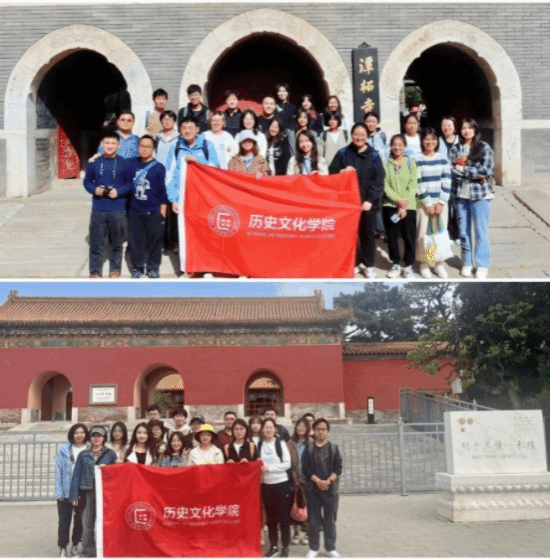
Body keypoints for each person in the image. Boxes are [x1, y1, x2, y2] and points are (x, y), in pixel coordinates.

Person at [329, 123, 385, 279]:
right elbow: (332, 172)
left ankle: (369, 265)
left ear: (367, 136)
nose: (359, 137)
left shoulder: (374, 155)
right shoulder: (343, 153)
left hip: (368, 204)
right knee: (350, 236)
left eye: (362, 135)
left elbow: (379, 180)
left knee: (367, 235)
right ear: (351, 135)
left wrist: (370, 200)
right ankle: (354, 263)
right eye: (356, 134)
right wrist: (342, 171)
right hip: (348, 204)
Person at [449, 117, 495, 279]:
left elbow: (486, 170)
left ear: (475, 130)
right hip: (460, 195)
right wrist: (475, 174)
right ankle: (467, 262)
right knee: (463, 231)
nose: (466, 131)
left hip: (480, 195)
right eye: (463, 128)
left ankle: (482, 264)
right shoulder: (455, 148)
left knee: (481, 231)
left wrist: (464, 169)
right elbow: (451, 171)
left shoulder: (483, 147)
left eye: (470, 127)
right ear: (459, 131)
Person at [83, 131, 131, 279]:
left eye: (113, 143)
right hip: (99, 208)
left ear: (118, 145)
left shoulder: (124, 163)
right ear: (102, 144)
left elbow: (130, 184)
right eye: (107, 143)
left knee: (116, 243)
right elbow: (87, 182)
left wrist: (118, 192)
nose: (110, 146)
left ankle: (115, 270)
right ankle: (95, 271)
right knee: (96, 242)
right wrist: (94, 189)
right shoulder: (94, 163)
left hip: (117, 208)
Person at [165, 115, 220, 241]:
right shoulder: (175, 147)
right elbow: (169, 176)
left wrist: (198, 162)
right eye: (184, 128)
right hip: (182, 198)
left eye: (190, 128)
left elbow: (216, 169)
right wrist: (173, 199)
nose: (187, 131)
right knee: (183, 235)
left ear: (197, 129)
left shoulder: (207, 146)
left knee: (202, 233)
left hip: (203, 197)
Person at [69, 426, 116, 558]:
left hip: (104, 492)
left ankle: (105, 550)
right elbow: (76, 475)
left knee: (106, 522)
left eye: (99, 436)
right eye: (94, 436)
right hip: (87, 492)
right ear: (90, 438)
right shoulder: (83, 454)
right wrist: (74, 495)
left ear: (104, 438)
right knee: (87, 523)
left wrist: (108, 468)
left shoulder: (111, 454)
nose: (96, 438)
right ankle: (88, 552)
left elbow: (116, 472)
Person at [126, 135, 168, 279]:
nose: (144, 149)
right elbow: (115, 163)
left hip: (153, 209)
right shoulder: (131, 164)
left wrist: (163, 208)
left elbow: (162, 190)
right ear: (138, 147)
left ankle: (153, 268)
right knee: (136, 241)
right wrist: (97, 156)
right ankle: (138, 268)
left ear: (153, 149)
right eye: (142, 146)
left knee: (155, 241)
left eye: (148, 147)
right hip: (135, 209)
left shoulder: (159, 167)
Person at [302, 419, 343, 559]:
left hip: (331, 490)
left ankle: (330, 548)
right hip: (312, 490)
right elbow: (305, 468)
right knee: (313, 520)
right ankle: (313, 548)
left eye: (323, 429)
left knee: (330, 520)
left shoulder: (333, 448)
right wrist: (318, 481)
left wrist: (329, 481)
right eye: (318, 429)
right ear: (314, 431)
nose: (320, 432)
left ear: (328, 431)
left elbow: (338, 468)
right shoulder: (309, 448)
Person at [415, 128, 452, 279]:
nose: (430, 142)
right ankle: (425, 263)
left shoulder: (443, 158)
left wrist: (441, 202)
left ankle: (438, 263)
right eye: (426, 139)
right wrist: (428, 203)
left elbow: (447, 180)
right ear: (422, 141)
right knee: (424, 234)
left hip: (440, 204)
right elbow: (418, 182)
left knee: (438, 234)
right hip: (424, 204)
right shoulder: (417, 159)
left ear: (437, 141)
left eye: (433, 139)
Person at [382, 134, 418, 279]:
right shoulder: (385, 163)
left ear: (404, 146)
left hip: (409, 205)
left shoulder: (410, 162)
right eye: (394, 145)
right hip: (390, 204)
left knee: (409, 236)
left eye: (400, 145)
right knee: (392, 236)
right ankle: (395, 263)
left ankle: (408, 265)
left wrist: (404, 204)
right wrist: (397, 200)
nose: (397, 147)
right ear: (391, 146)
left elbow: (413, 184)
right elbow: (384, 185)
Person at [258, 417, 293, 558]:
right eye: (266, 427)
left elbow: (287, 464)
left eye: (271, 427)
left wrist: (270, 468)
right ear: (262, 429)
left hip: (281, 484)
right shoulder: (259, 444)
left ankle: (285, 547)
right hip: (266, 485)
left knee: (284, 518)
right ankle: (273, 546)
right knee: (271, 519)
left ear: (275, 429)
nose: (268, 430)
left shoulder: (280, 444)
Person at [54, 423, 88, 558]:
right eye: (76, 433)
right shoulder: (64, 450)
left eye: (82, 432)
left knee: (80, 521)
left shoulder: (89, 449)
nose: (79, 435)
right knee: (64, 521)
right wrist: (59, 492)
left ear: (86, 434)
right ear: (72, 435)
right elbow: (58, 472)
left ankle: (75, 546)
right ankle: (63, 547)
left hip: (82, 491)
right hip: (65, 490)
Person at [438, 116, 461, 245]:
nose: (446, 128)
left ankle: (457, 234)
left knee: (457, 207)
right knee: (446, 207)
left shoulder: (460, 141)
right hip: (443, 180)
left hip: (458, 180)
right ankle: (447, 233)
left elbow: (464, 158)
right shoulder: (438, 141)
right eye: (444, 125)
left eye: (449, 125)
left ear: (454, 127)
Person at [288, 418, 310, 546]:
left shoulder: (311, 443)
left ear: (307, 428)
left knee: (307, 506)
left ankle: (306, 532)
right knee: (294, 505)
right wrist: (295, 479)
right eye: (299, 426)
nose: (301, 428)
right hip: (294, 480)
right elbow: (288, 463)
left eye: (303, 426)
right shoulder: (290, 443)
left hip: (308, 480)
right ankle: (295, 533)